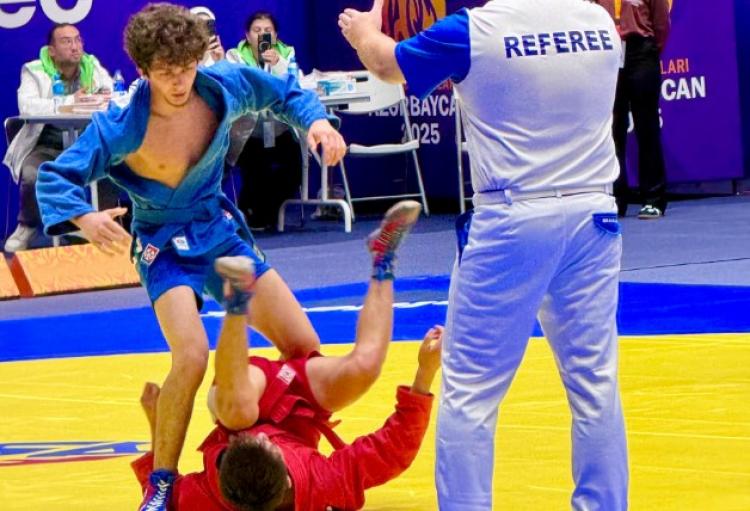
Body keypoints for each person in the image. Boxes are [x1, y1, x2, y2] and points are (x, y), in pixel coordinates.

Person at [35, 4, 346, 510]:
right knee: (193, 354)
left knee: (305, 349)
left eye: (186, 68)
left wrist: (317, 123)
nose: (179, 83)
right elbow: (56, 175)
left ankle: (298, 463)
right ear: (143, 70)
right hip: (161, 243)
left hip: (217, 231)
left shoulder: (221, 85)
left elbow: (285, 91)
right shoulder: (121, 124)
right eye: (166, 73)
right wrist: (84, 217)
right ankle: (161, 483)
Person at [339, 1, 628, 509]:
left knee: (470, 392)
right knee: (596, 385)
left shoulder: (476, 31)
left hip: (514, 218)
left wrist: (363, 31)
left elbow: (386, 64)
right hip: (594, 214)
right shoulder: (598, 21)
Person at [131, 200, 437, 510]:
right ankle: (383, 260)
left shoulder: (204, 497)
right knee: (365, 367)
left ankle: (237, 303)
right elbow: (393, 449)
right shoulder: (321, 482)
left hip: (244, 394)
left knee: (239, 414)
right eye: (265, 445)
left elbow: (161, 497)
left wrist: (158, 425)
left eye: (239, 444)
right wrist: (424, 374)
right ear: (288, 481)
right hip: (298, 406)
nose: (263, 436)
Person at [2, 23, 113, 252]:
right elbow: (27, 106)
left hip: (85, 144)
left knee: (113, 168)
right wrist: (71, 102)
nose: (75, 46)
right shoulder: (34, 70)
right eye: (66, 41)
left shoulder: (92, 65)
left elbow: (110, 97)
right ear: (51, 50)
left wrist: (97, 100)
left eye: (78, 40)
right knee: (32, 174)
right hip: (46, 146)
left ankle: (105, 227)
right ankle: (27, 226)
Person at [226, 11, 303, 230]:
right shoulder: (234, 56)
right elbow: (238, 88)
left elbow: (294, 84)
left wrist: (278, 64)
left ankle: (266, 213)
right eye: (257, 30)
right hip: (248, 132)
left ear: (275, 35)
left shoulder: (287, 54)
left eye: (267, 31)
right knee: (256, 172)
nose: (262, 35)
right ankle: (253, 213)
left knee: (293, 170)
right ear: (247, 36)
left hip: (279, 128)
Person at [595, 0, 671, 219]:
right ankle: (615, 199)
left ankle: (653, 199)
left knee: (647, 128)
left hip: (641, 52)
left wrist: (649, 50)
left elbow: (661, 23)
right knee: (612, 131)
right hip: (607, 53)